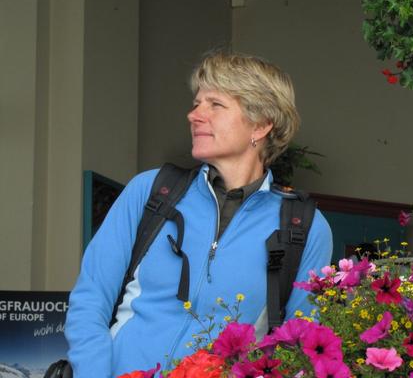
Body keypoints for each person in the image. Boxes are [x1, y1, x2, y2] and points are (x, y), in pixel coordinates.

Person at [64, 51, 333, 377]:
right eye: (196, 103)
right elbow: (90, 300)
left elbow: (300, 346)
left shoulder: (302, 228)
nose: (194, 115)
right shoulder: (151, 191)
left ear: (261, 125)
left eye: (215, 104)